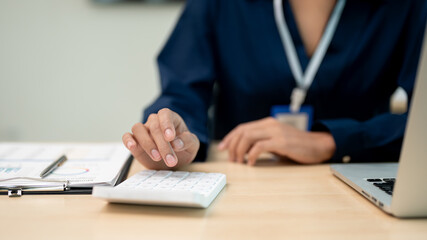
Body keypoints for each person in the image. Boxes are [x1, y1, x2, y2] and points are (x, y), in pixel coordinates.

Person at [122, 0, 427, 170]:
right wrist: (173, 137)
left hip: (356, 179)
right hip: (242, 181)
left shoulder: (407, 6)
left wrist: (330, 142)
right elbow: (182, 92)